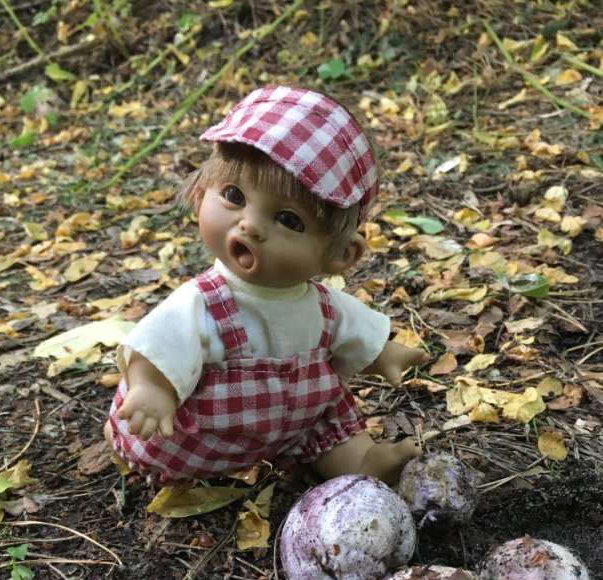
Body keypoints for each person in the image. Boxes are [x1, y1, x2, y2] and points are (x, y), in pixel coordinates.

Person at [105, 86, 428, 485]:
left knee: (328, 429)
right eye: (234, 195)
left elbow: (353, 330)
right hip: (199, 438)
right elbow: (158, 346)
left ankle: (364, 465)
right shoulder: (204, 301)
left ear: (340, 254)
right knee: (145, 432)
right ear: (202, 189)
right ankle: (121, 437)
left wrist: (384, 353)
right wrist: (152, 389)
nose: (251, 225)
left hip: (294, 426)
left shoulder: (325, 307)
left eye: (289, 220)